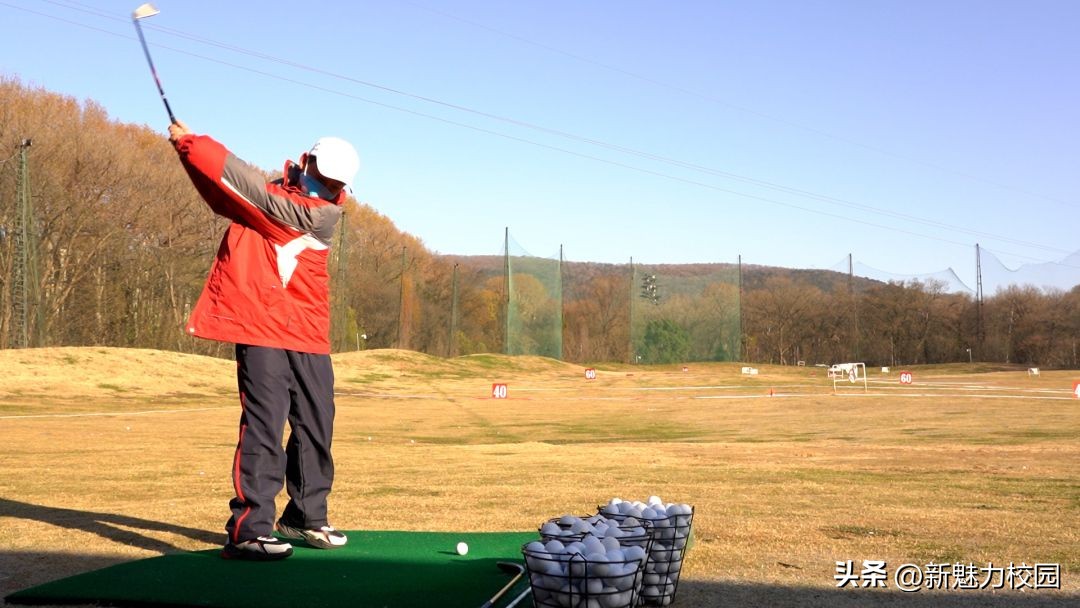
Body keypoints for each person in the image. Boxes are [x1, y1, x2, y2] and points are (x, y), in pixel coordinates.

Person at [168, 120, 360, 561]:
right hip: (262, 327)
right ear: (306, 161)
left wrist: (192, 143)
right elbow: (225, 191)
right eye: (325, 178)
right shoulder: (269, 200)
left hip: (307, 331)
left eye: (336, 185)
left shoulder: (319, 215)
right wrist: (187, 154)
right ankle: (250, 529)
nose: (329, 188)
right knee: (264, 425)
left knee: (317, 425)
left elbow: (246, 188)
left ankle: (305, 516)